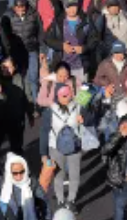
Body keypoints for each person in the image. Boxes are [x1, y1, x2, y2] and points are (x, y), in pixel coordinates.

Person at [38, 84, 84, 212]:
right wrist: (43, 153)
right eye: (63, 96)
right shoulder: (50, 111)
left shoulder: (78, 106)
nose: (66, 98)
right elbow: (44, 131)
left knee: (74, 175)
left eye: (68, 95)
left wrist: (84, 120)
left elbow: (91, 118)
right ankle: (60, 200)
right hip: (55, 148)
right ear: (57, 97)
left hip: (75, 147)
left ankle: (71, 201)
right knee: (59, 175)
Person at [0, 153, 49, 220]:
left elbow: (44, 202)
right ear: (9, 172)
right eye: (15, 173)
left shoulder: (31, 181)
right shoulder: (1, 183)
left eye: (22, 172)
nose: (19, 176)